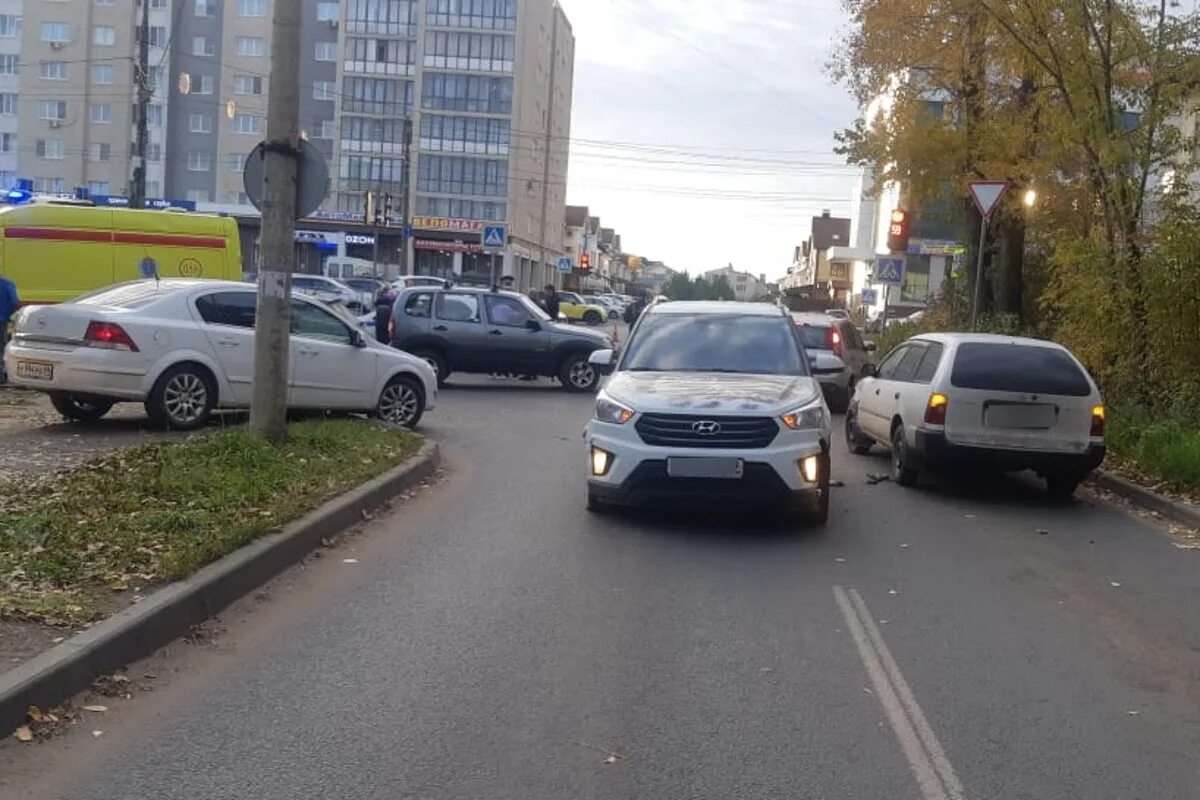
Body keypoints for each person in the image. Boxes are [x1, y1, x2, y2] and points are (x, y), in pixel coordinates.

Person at [0, 269, 17, 384]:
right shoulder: (7, 284)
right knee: (2, 348)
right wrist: (7, 314)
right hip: (2, 321)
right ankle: (2, 375)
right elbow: (14, 302)